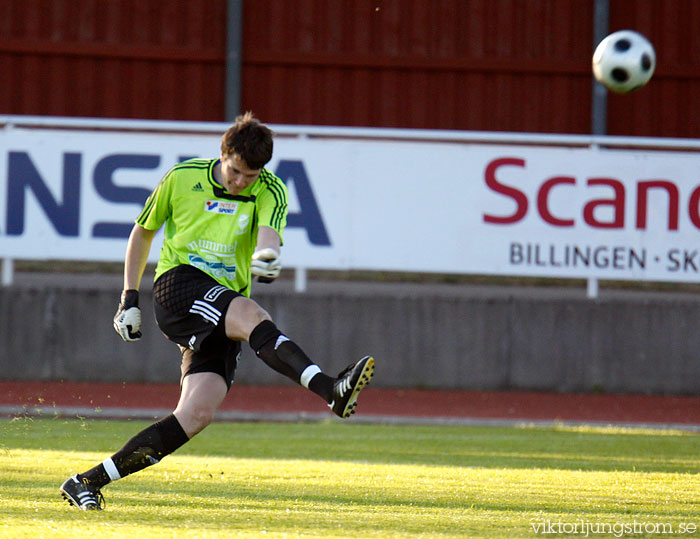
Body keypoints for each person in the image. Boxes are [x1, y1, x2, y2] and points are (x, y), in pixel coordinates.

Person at [59, 112, 375, 511]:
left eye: (251, 175)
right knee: (251, 314)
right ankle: (330, 389)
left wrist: (268, 255)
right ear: (222, 154)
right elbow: (143, 231)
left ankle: (86, 480)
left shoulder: (271, 189)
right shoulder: (182, 177)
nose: (242, 182)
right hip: (178, 285)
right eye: (236, 171)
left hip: (219, 304)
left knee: (196, 413)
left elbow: (269, 234)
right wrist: (128, 297)